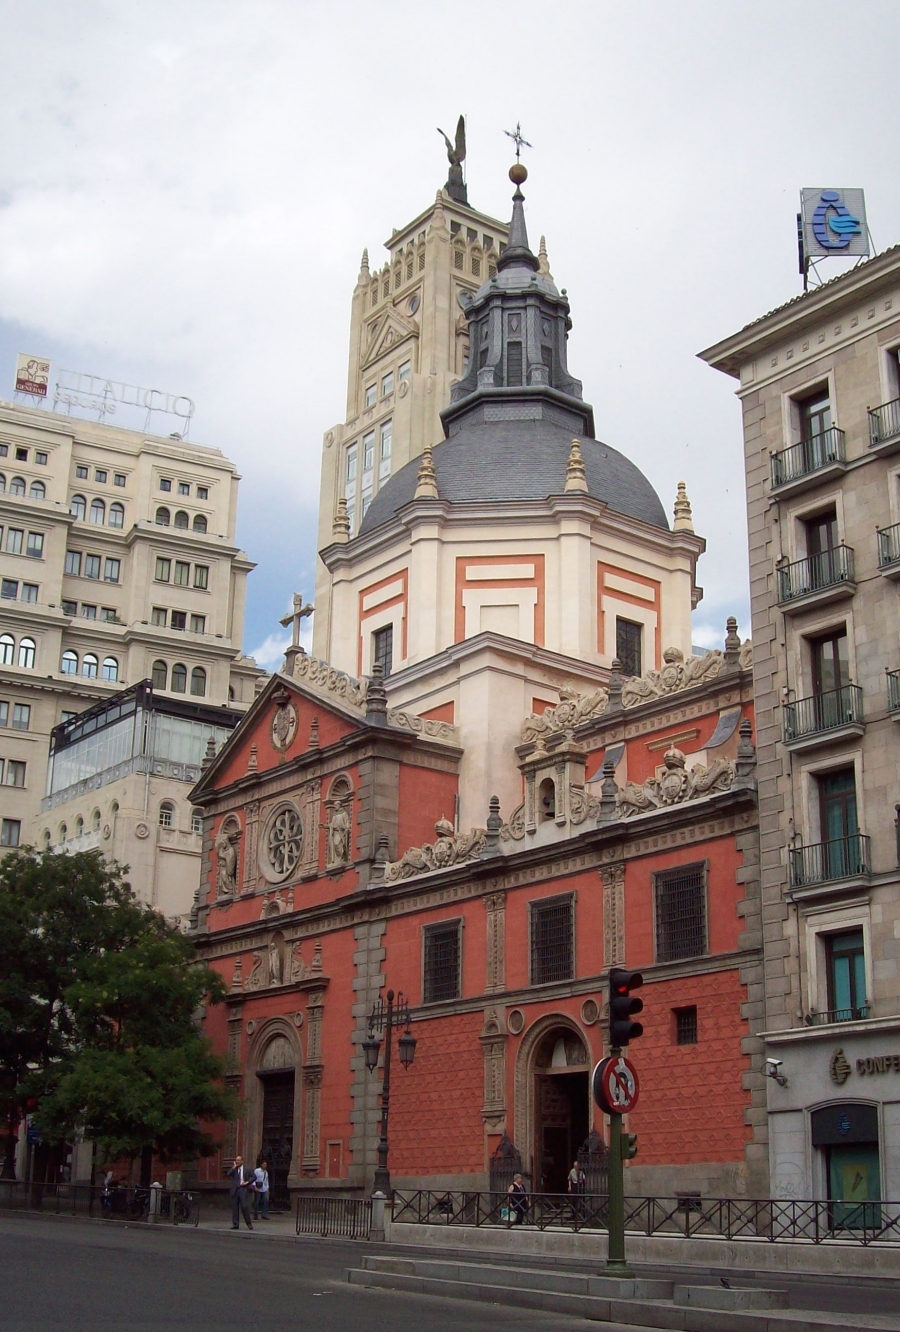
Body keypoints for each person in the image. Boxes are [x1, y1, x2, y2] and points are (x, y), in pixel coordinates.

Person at [228, 1156, 254, 1230]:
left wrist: (247, 1182)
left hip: (243, 1189)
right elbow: (228, 1174)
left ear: (242, 1161)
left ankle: (249, 1223)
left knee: (244, 1206)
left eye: (238, 1160)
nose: (237, 1162)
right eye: (236, 1160)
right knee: (235, 1208)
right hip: (235, 1190)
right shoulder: (235, 1169)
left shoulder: (247, 1169)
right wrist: (234, 1167)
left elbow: (254, 1177)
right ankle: (235, 1224)